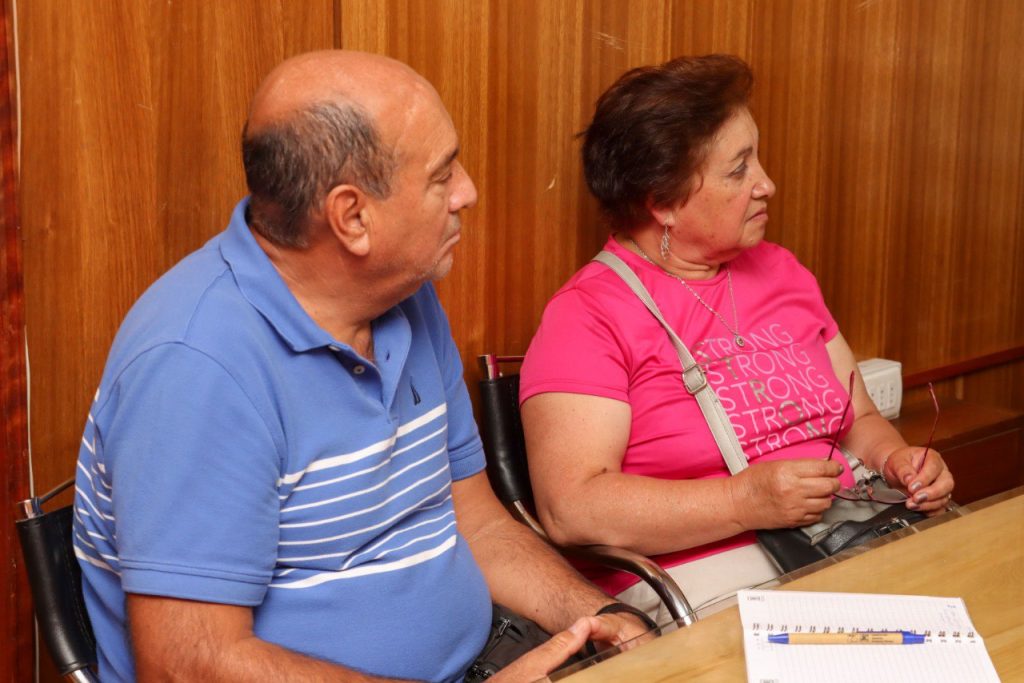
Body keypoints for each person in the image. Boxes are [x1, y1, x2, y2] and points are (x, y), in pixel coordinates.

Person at [72, 50, 650, 682]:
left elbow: (478, 524)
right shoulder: (195, 368)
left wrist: (603, 618)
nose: (467, 192)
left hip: (481, 659)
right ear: (352, 217)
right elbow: (186, 663)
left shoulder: (403, 294)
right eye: (442, 175)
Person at [519, 54, 955, 624]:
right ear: (663, 201)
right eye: (738, 170)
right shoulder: (587, 314)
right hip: (707, 567)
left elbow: (860, 419)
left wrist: (897, 460)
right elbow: (571, 508)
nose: (766, 184)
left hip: (846, 531)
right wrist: (743, 501)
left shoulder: (782, 270)